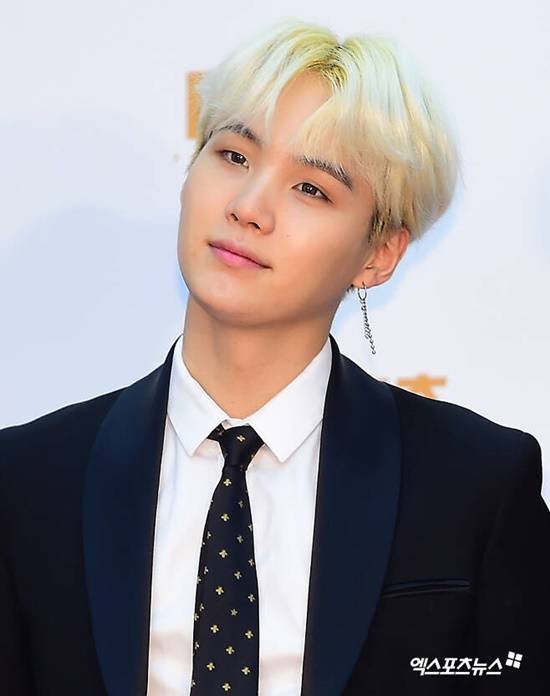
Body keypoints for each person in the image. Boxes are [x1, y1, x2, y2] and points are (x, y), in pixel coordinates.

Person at [1, 17, 549, 696]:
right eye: (234, 155)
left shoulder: (475, 485)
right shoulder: (28, 481)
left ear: (379, 255)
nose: (248, 206)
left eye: (311, 188)